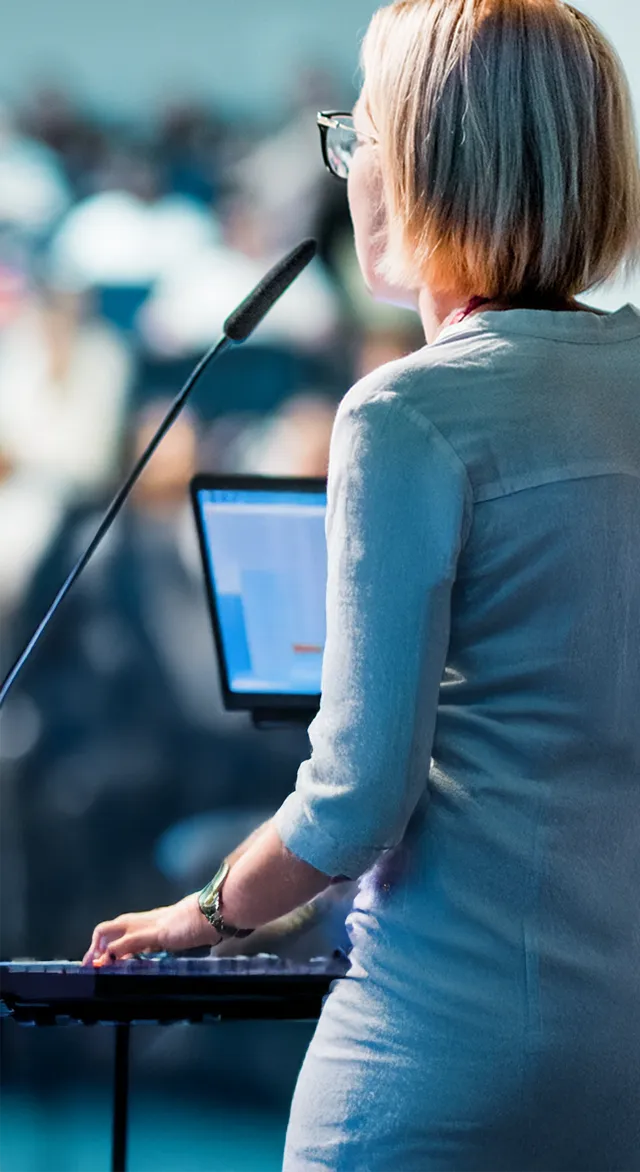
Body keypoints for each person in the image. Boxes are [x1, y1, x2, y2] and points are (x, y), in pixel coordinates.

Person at [85, 1, 640, 1167]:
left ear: (431, 162)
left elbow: (353, 800)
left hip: (441, 1054)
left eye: (361, 131)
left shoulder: (406, 412)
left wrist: (205, 913)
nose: (350, 168)